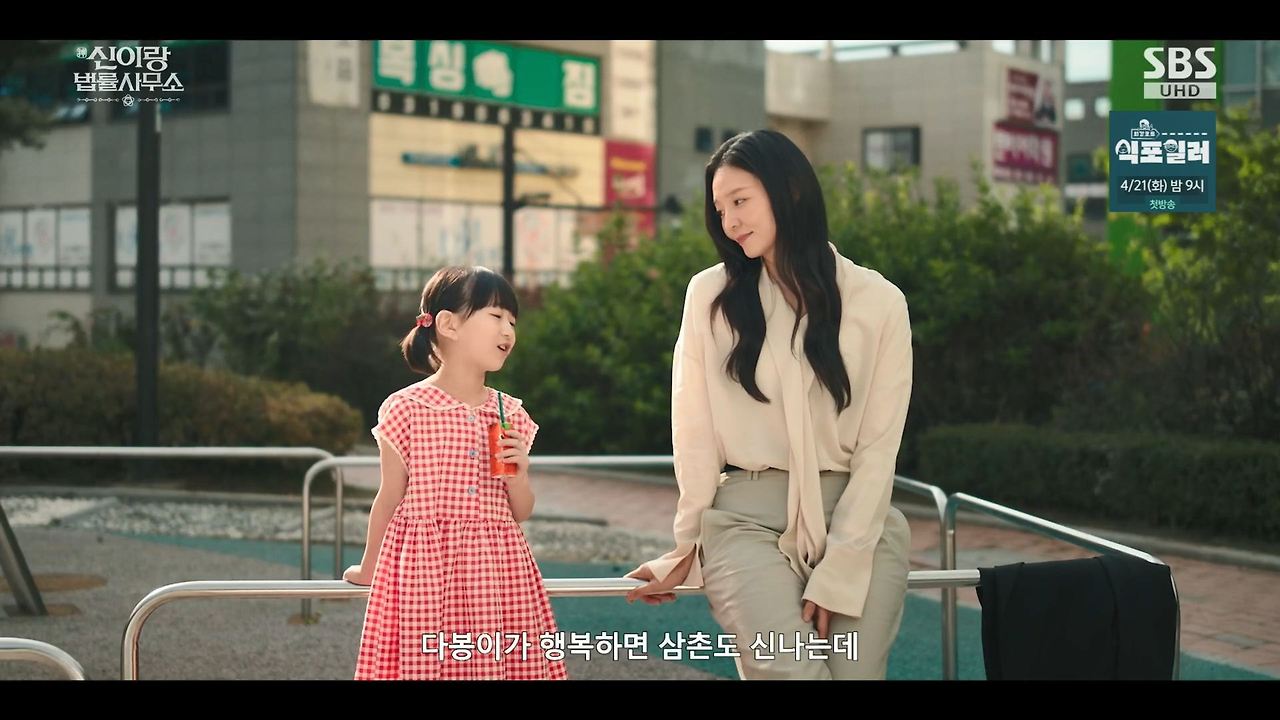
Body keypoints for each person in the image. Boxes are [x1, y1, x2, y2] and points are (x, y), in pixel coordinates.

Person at [625, 130, 914, 680]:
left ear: (791, 191)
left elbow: (880, 447)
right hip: (745, 520)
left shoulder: (880, 302)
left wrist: (843, 561)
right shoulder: (709, 296)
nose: (730, 222)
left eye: (741, 201)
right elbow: (694, 429)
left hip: (860, 524)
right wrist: (687, 545)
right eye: (720, 209)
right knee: (791, 672)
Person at [344, 265, 566, 680]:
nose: (508, 330)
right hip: (424, 568)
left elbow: (520, 511)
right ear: (448, 324)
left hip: (497, 569)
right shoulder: (406, 408)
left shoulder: (509, 412)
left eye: (513, 321)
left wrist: (519, 476)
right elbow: (390, 496)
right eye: (496, 316)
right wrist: (369, 567)